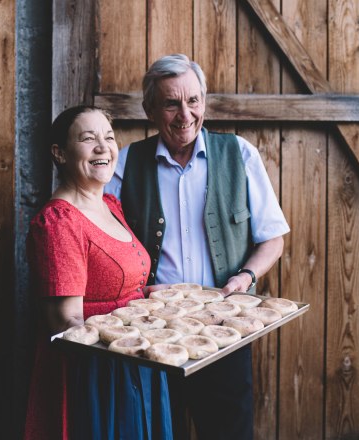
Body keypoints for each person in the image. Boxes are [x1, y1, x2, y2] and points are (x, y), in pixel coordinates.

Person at [105, 54, 290, 439]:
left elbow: (273, 238)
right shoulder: (127, 163)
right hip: (151, 332)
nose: (184, 114)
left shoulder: (240, 155)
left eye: (193, 101)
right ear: (150, 109)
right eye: (171, 103)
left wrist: (245, 277)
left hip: (226, 330)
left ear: (204, 102)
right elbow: (105, 242)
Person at [24, 105, 173, 439]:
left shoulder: (110, 205)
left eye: (108, 137)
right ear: (59, 153)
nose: (103, 147)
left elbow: (113, 290)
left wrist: (153, 299)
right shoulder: (59, 223)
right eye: (88, 139)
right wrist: (137, 327)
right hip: (96, 375)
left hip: (135, 359)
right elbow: (66, 321)